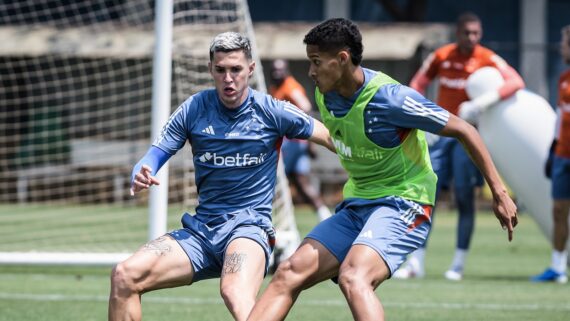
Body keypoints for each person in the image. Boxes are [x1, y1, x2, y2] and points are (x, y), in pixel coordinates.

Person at [246, 18, 517, 321]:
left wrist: (499, 192)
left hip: (405, 202)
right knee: (288, 272)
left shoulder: (391, 99)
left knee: (354, 276)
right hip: (357, 204)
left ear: (342, 59)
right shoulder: (326, 93)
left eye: (316, 62)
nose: (310, 72)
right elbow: (346, 139)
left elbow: (465, 129)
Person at [107, 31, 334, 321]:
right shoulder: (194, 108)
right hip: (200, 233)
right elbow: (154, 155)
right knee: (125, 275)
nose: (228, 78)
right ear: (210, 70)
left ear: (250, 70)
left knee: (234, 291)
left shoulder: (272, 110)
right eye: (221, 70)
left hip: (249, 229)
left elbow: (330, 137)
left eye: (236, 69)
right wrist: (142, 171)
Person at [394, 12, 525, 281]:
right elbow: (417, 84)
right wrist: (417, 117)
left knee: (464, 198)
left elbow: (516, 81)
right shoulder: (442, 56)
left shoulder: (487, 58)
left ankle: (458, 264)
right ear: (458, 34)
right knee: (424, 195)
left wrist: (483, 102)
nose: (472, 38)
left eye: (476, 33)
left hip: (468, 138)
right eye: (467, 33)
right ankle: (415, 263)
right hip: (440, 134)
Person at [269, 58, 332, 222]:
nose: (277, 73)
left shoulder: (291, 87)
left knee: (274, 180)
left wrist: (311, 142)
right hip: (290, 143)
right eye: (274, 70)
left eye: (280, 70)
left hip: (293, 143)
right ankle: (323, 215)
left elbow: (306, 109)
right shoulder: (275, 88)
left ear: (287, 71)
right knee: (299, 182)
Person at [531, 25, 570, 284]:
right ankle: (558, 268)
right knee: (558, 210)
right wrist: (552, 149)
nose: (561, 46)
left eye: (565, 42)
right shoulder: (563, 78)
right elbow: (560, 115)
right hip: (562, 155)